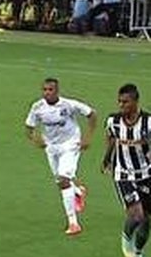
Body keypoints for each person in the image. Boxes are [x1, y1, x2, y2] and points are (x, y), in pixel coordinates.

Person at [24, 78, 97, 236]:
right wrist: (35, 139)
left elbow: (92, 114)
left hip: (70, 144)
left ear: (57, 91)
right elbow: (29, 127)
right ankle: (78, 191)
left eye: (50, 90)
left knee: (63, 180)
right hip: (52, 147)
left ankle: (73, 223)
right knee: (60, 180)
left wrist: (87, 137)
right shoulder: (37, 107)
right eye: (44, 90)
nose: (47, 93)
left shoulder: (68, 105)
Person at [102, 83, 151, 257]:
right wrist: (107, 159)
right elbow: (111, 139)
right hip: (123, 174)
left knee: (146, 220)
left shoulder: (148, 122)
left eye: (126, 102)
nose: (121, 105)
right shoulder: (113, 121)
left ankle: (138, 254)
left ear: (136, 102)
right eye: (120, 102)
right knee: (136, 215)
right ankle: (126, 237)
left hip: (146, 174)